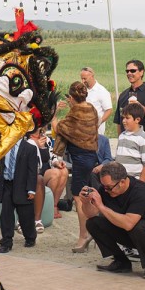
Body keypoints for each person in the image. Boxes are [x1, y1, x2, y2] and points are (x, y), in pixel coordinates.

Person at [81, 161, 145, 280]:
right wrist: (86, 202)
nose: (106, 190)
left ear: (122, 182)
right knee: (93, 223)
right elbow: (90, 214)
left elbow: (129, 223)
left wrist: (101, 206)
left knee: (138, 226)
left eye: (109, 187)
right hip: (131, 232)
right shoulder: (107, 188)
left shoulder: (140, 191)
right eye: (104, 186)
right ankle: (121, 262)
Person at [51, 81, 99, 252]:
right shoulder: (92, 109)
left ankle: (83, 236)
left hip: (80, 159)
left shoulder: (73, 115)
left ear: (71, 98)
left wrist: (54, 114)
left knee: (79, 198)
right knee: (89, 195)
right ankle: (95, 232)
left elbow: (59, 129)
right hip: (92, 156)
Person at [0, 130, 40, 253]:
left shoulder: (29, 148)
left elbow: (32, 171)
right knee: (6, 214)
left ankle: (30, 237)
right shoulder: (3, 146)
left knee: (25, 215)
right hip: (6, 185)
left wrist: (31, 189)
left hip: (22, 185)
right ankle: (6, 241)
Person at [113, 59, 145, 152]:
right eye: (127, 71)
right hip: (127, 146)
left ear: (141, 72)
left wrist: (141, 108)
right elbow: (119, 121)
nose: (129, 73)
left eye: (133, 70)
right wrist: (120, 141)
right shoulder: (123, 95)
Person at [109, 102, 145, 182]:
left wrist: (141, 183)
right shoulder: (122, 135)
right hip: (121, 181)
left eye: (127, 118)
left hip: (135, 182)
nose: (123, 121)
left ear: (137, 120)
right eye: (123, 118)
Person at [79, 67, 113, 135]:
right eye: (81, 79)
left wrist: (98, 123)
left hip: (96, 133)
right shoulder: (81, 90)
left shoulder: (102, 91)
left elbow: (109, 110)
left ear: (92, 76)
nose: (83, 81)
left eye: (85, 79)